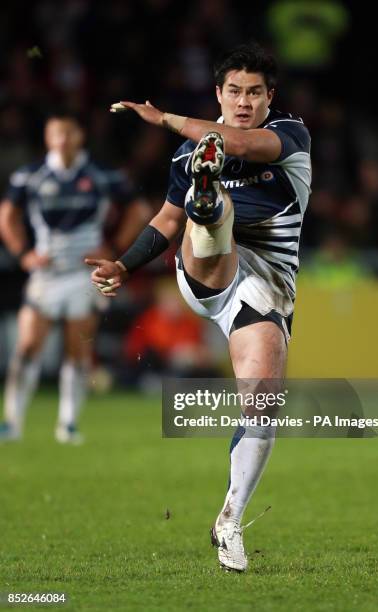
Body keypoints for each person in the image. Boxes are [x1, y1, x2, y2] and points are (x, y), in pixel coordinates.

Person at [87, 43, 311, 571]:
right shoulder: (189, 153)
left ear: (269, 97)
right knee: (210, 210)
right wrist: (124, 264)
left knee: (263, 405)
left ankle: (229, 520)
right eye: (233, 90)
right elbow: (165, 221)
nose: (243, 100)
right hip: (208, 271)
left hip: (267, 287)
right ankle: (208, 202)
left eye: (255, 92)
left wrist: (163, 117)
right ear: (218, 93)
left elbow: (233, 140)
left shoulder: (289, 135)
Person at [0, 113, 148, 444]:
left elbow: (138, 210)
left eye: (68, 133)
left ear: (80, 136)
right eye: (55, 133)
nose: (62, 140)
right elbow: (6, 214)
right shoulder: (31, 176)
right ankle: (11, 421)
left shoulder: (101, 174)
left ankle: (67, 423)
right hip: (46, 273)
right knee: (26, 346)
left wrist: (114, 247)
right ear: (47, 137)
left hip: (85, 273)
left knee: (76, 350)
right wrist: (23, 253)